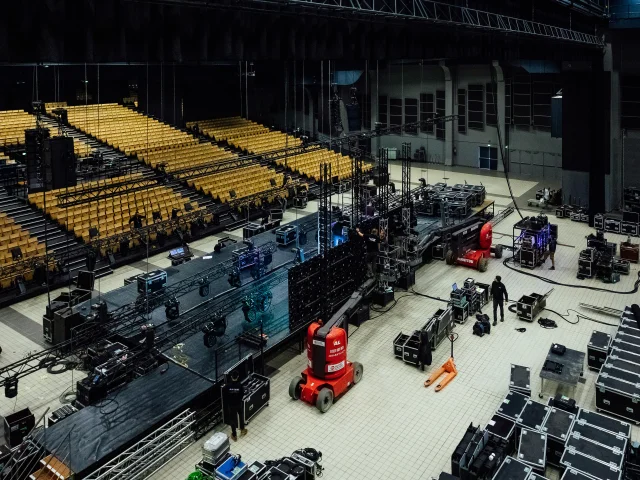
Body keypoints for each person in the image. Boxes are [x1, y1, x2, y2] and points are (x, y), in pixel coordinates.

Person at [222, 370, 247, 441]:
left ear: (231, 377)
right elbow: (242, 394)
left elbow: (225, 396)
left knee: (232, 419)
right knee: (241, 415)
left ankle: (234, 435)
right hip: (239, 404)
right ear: (238, 376)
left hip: (231, 405)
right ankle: (242, 429)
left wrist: (229, 402)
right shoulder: (240, 385)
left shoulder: (227, 386)